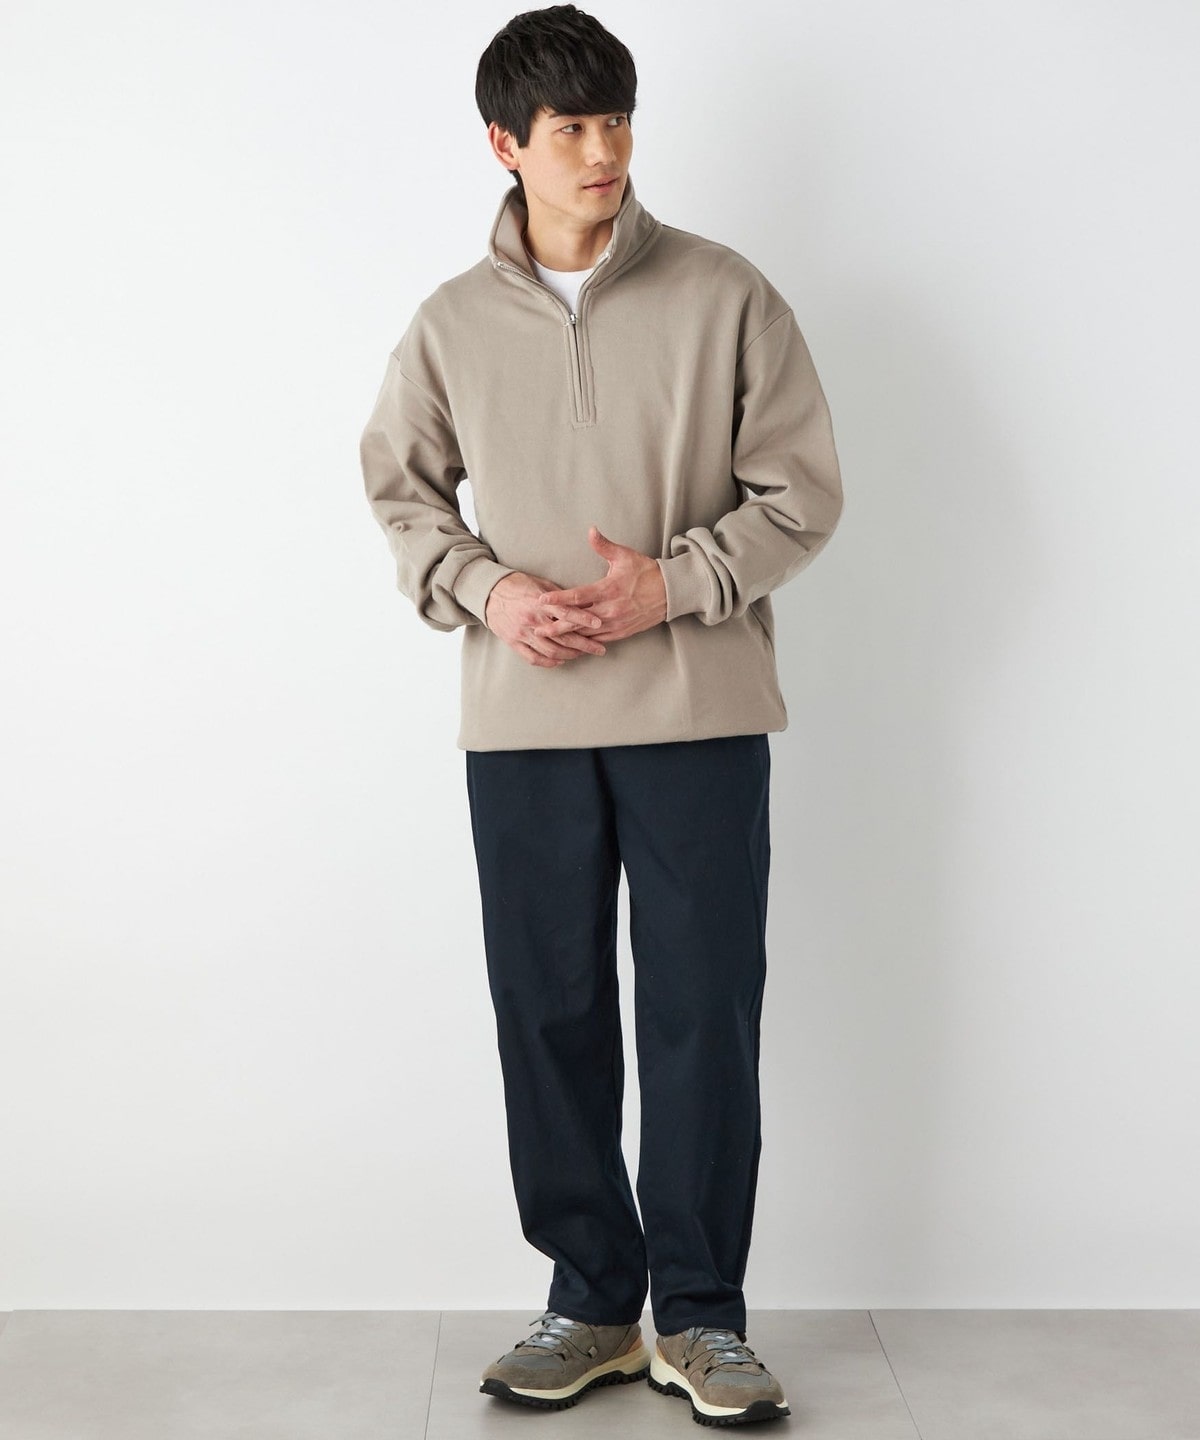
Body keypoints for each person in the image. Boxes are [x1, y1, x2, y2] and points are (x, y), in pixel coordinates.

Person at [359, 4, 842, 1426]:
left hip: (701, 714)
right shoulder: (450, 324)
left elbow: (803, 493)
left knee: (705, 1012)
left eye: (617, 119)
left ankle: (701, 1317)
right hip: (524, 721)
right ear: (504, 145)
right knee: (549, 1010)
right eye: (570, 127)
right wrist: (490, 591)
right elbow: (400, 491)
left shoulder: (729, 295)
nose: (602, 151)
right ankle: (589, 1301)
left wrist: (670, 588)